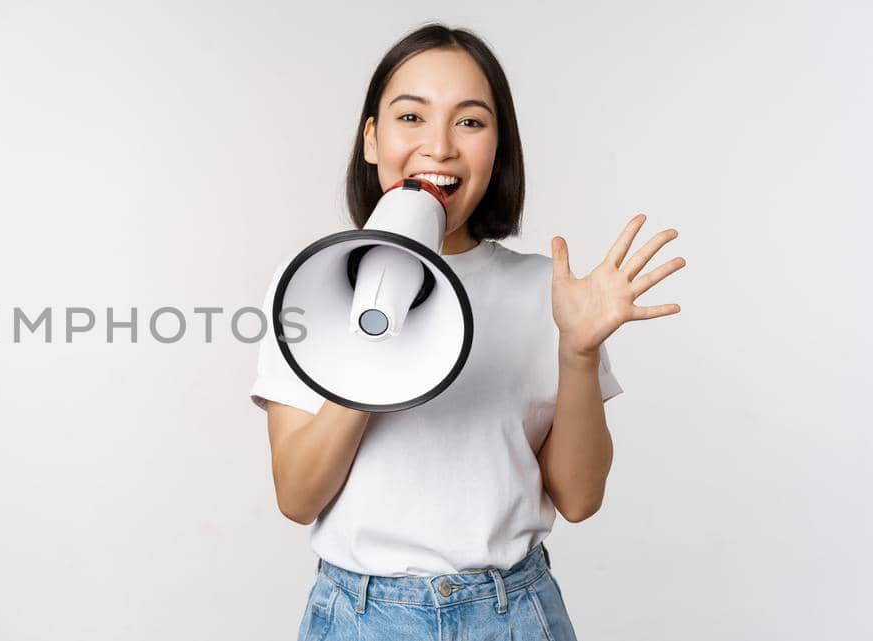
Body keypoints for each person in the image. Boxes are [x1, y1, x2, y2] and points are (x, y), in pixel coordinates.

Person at [250, 24, 686, 641]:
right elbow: (297, 497)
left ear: (498, 148)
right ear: (372, 139)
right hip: (361, 615)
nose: (440, 146)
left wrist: (579, 353)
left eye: (470, 122)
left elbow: (580, 499)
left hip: (512, 613)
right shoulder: (309, 285)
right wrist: (375, 348)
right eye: (411, 116)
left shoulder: (548, 292)